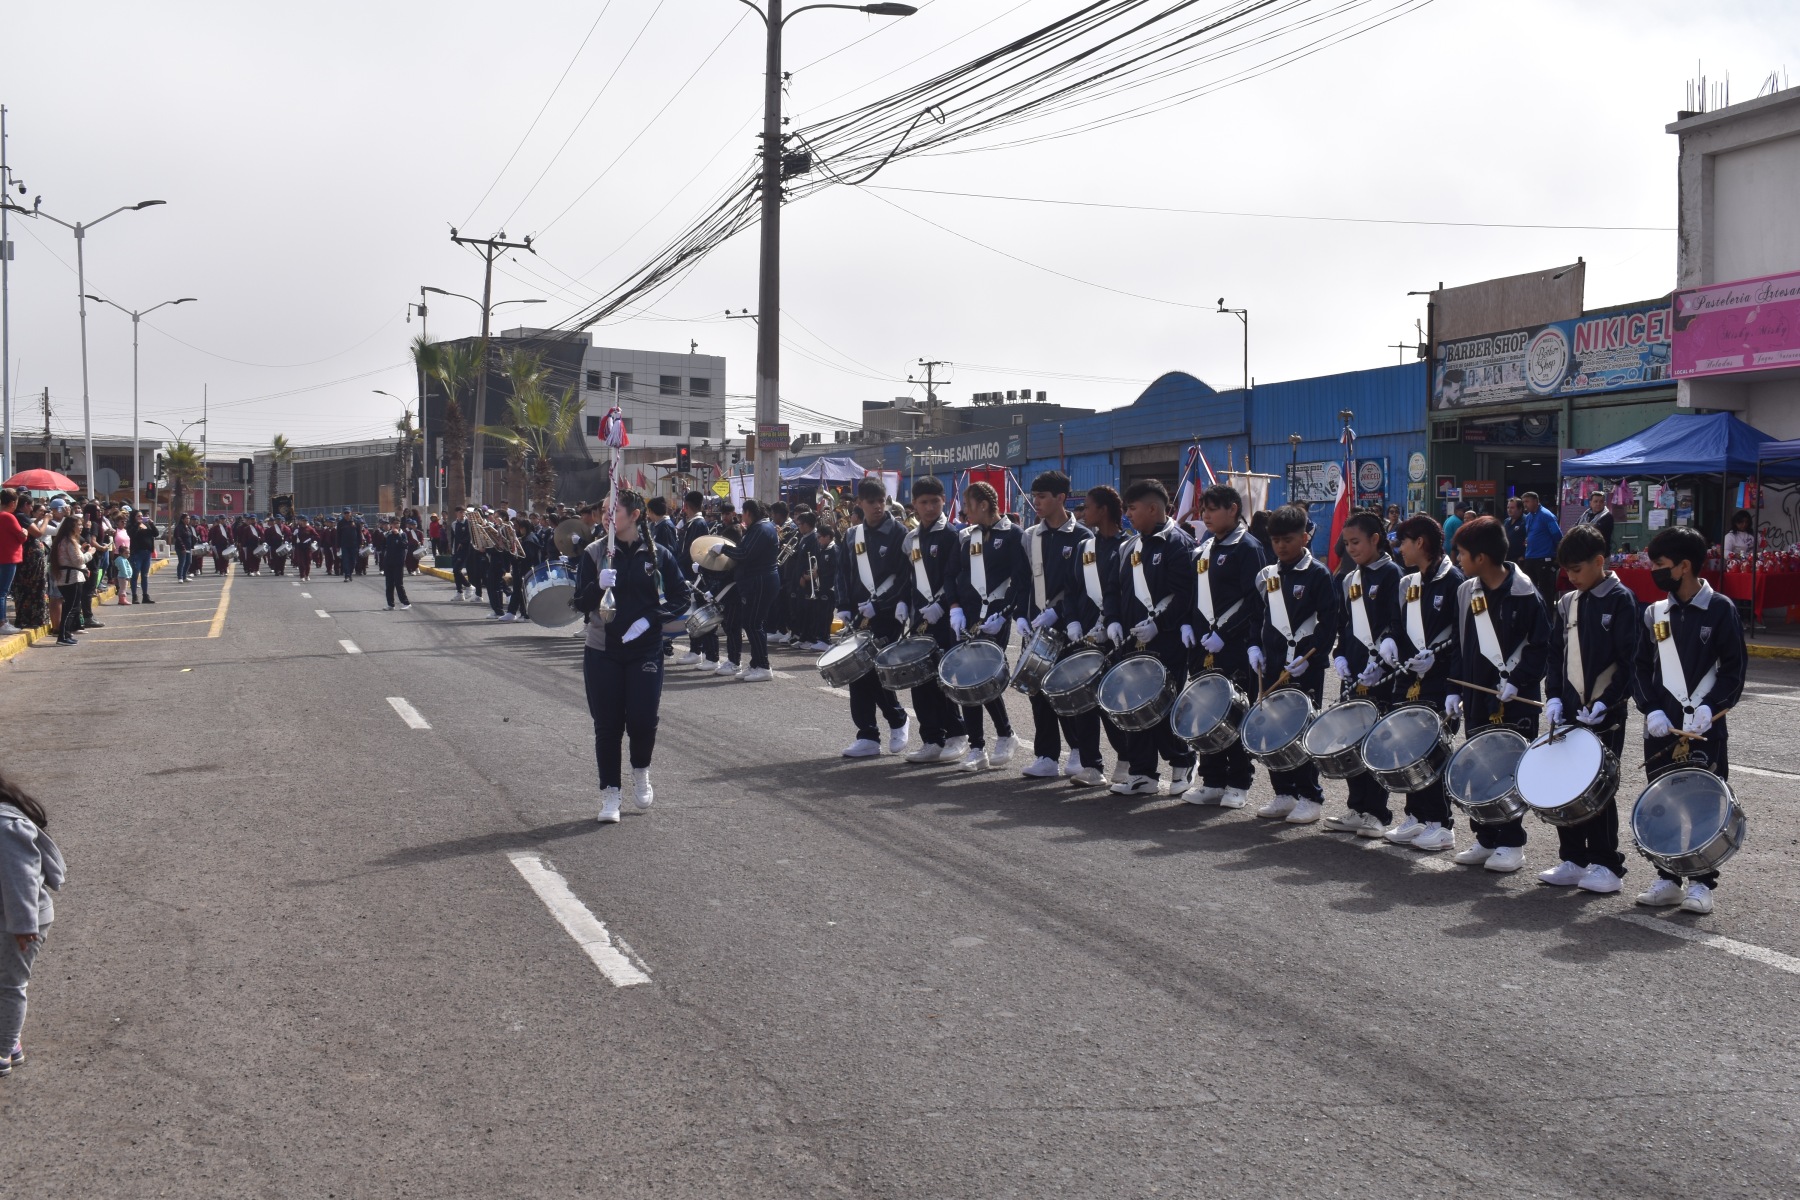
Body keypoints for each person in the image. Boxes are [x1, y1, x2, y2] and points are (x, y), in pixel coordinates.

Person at [1632, 525, 1746, 914]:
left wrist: (1711, 707)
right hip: (1662, 727)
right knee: (1661, 802)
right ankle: (1667, 877)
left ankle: (1701, 883)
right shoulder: (1654, 613)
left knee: (1703, 804)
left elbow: (1734, 670)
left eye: (1660, 564)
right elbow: (1639, 667)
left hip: (1704, 727)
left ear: (1684, 566)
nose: (1654, 571)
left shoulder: (1720, 609)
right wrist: (1650, 708)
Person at [569, 487, 689, 822]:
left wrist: (651, 619)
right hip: (603, 649)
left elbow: (680, 597)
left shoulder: (658, 554)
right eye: (604, 510)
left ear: (635, 515)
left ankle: (641, 771)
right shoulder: (594, 553)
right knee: (607, 725)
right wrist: (597, 586)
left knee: (642, 720)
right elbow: (578, 602)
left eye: (614, 510)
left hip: (645, 649)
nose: (606, 516)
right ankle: (610, 793)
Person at [1536, 524, 1640, 894]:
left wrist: (1607, 702)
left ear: (1599, 561)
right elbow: (1555, 655)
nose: (1572, 578)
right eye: (1567, 571)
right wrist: (1553, 696)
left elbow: (1629, 662)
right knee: (1565, 785)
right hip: (1568, 710)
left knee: (1598, 788)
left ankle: (1606, 863)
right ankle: (1572, 858)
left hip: (1604, 714)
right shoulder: (1568, 603)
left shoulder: (1622, 600)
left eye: (1577, 570)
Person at [1446, 515, 1549, 872]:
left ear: (1481, 557)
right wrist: (1453, 688)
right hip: (1478, 695)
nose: (1457, 559)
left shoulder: (1526, 593)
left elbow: (1541, 646)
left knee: (1508, 770)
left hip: (1513, 699)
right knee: (1479, 766)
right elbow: (1460, 644)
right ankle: (1485, 837)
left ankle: (1511, 842)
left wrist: (1518, 680)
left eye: (1462, 553)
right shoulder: (1466, 591)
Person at [1380, 514, 1465, 851]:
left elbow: (1462, 637)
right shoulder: (1409, 582)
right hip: (1410, 680)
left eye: (1403, 541)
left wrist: (1441, 666)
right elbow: (1397, 624)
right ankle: (1415, 815)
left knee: (1433, 751)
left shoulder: (1454, 581)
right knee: (1408, 749)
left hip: (1438, 682)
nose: (1399, 548)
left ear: (1420, 542)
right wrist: (1389, 639)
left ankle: (1441, 824)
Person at [1248, 505, 1337, 822]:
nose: (1281, 546)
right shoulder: (1267, 575)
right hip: (1272, 663)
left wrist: (1312, 654)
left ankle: (1310, 796)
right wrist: (1253, 647)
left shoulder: (1318, 574)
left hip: (1304, 665)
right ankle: (1283, 792)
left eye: (1288, 539)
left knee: (1302, 730)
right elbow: (1257, 617)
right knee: (1273, 730)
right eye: (1276, 541)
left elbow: (1329, 622)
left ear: (1304, 538)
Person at [1108, 479, 1197, 797]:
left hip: (1167, 641)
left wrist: (1160, 625)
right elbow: (1114, 590)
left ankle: (1183, 762)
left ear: (1153, 508)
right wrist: (1113, 620)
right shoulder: (1128, 547)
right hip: (1133, 641)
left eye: (1132, 508)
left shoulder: (1179, 543)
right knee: (1134, 706)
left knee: (1164, 705)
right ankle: (1142, 773)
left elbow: (1185, 594)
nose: (1128, 515)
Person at [1180, 483, 1266, 808]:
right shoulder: (1205, 548)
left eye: (1213, 509)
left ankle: (1239, 781)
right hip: (1203, 646)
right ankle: (1212, 779)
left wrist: (1227, 634)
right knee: (1205, 712)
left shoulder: (1248, 548)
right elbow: (1193, 594)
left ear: (1233, 509)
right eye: (1204, 509)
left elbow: (1255, 601)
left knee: (1235, 712)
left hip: (1233, 647)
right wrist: (1187, 623)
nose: (1206, 515)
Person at [1018, 470, 1103, 784]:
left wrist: (1058, 613)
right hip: (1037, 626)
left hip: (1070, 626)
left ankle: (1079, 749)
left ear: (1061, 498)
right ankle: (1046, 756)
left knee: (1070, 690)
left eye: (1042, 497)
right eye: (1035, 496)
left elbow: (1082, 585)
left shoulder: (1082, 536)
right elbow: (1023, 581)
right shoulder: (1030, 536)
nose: (1036, 502)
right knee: (1037, 691)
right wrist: (1020, 615)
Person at [1323, 511, 1404, 835]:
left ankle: (1377, 812)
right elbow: (1344, 625)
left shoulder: (1392, 574)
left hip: (1379, 672)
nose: (1351, 549)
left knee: (1376, 743)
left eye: (1356, 542)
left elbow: (1397, 622)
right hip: (1355, 670)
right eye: (1346, 544)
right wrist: (1340, 655)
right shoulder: (1349, 579)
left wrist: (1383, 659)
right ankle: (1356, 807)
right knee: (1351, 740)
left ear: (1375, 539)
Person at [948, 481, 1023, 771]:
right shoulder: (966, 537)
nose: (965, 512)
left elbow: (1020, 579)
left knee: (981, 676)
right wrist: (955, 608)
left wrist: (1005, 614)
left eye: (968, 505)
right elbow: (952, 575)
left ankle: (1003, 735)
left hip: (994, 617)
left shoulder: (1013, 535)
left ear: (983, 505)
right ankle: (979, 747)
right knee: (967, 679)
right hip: (967, 616)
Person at [834, 476, 911, 758]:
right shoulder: (852, 535)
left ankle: (897, 718)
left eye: (881, 501)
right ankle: (867, 734)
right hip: (859, 613)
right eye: (871, 502)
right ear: (860, 503)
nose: (878, 506)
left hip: (888, 614)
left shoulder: (899, 533)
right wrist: (843, 605)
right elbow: (843, 572)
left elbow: (905, 577)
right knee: (856, 672)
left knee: (876, 670)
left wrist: (883, 605)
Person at [895, 476, 967, 763]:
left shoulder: (952, 535)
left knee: (944, 677)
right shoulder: (910, 539)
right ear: (914, 504)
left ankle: (957, 734)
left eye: (935, 502)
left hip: (945, 618)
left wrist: (943, 605)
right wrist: (902, 601)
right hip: (920, 618)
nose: (929, 508)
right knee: (920, 678)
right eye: (923, 502)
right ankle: (931, 738)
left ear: (944, 501)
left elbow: (957, 577)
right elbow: (908, 577)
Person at [0, 769, 64, 1079]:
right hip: (8, 915)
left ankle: (3, 1049)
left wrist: (24, 925)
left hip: (21, 921)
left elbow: (22, 880)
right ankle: (10, 1041)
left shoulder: (5, 826)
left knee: (9, 985)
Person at [1076, 485, 1131, 783]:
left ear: (1104, 510)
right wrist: (1072, 621)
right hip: (1085, 636)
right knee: (1084, 701)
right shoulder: (1085, 547)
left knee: (1113, 702)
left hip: (1115, 638)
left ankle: (1126, 758)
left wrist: (1113, 624)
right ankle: (1091, 765)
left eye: (1088, 506)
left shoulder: (1128, 546)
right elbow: (1072, 589)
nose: (1084, 512)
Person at [717, 498, 779, 682]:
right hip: (757, 582)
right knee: (751, 623)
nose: (742, 516)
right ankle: (755, 663)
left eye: (743, 512)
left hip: (760, 582)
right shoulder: (759, 528)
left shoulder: (761, 529)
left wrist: (724, 549)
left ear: (749, 513)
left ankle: (763, 666)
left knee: (753, 623)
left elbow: (744, 553)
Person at [49, 513, 91, 647]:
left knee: (71, 606)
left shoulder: (65, 540)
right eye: (79, 524)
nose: (81, 527)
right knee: (71, 608)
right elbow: (78, 560)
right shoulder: (69, 541)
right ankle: (62, 636)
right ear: (71, 526)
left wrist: (81, 550)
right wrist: (90, 553)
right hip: (71, 578)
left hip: (68, 577)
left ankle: (66, 634)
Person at [1520, 491, 1563, 600]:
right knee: (1529, 590)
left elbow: (1558, 536)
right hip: (1530, 557)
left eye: (1527, 501)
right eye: (1523, 502)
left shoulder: (1546, 515)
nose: (1525, 504)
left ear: (1536, 501)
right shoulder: (1528, 517)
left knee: (1545, 591)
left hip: (1544, 558)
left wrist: (1558, 557)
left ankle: (1547, 610)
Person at [0, 489, 25, 635]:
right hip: (8, 558)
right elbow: (21, 536)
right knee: (3, 591)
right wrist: (25, 532)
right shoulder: (9, 517)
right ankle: (2, 622)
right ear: (12, 503)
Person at [378, 517, 413, 610]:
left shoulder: (403, 534)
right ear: (391, 525)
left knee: (398, 583)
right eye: (393, 523)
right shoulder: (387, 535)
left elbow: (405, 545)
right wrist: (384, 554)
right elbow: (383, 546)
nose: (395, 525)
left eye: (397, 523)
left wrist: (397, 535)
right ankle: (390, 604)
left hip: (398, 562)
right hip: (389, 562)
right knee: (389, 584)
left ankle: (406, 602)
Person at [126, 510, 157, 603]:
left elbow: (156, 534)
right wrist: (137, 525)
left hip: (147, 553)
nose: (140, 518)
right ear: (134, 517)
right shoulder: (131, 526)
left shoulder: (146, 525)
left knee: (145, 575)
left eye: (141, 516)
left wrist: (151, 524)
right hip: (137, 553)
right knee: (135, 575)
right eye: (138, 516)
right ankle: (134, 596)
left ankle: (145, 596)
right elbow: (132, 534)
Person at [1581, 490, 1615, 554]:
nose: (1598, 504)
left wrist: (1582, 528)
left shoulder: (1607, 516)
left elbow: (1595, 531)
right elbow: (1576, 526)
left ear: (1604, 503)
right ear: (1590, 503)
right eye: (1595, 501)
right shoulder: (1586, 514)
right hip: (1585, 553)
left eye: (1601, 502)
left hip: (1601, 554)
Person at [336, 510, 361, 583]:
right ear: (343, 514)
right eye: (345, 513)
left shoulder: (356, 522)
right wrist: (338, 546)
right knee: (345, 560)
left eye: (348, 513)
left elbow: (359, 533)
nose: (347, 515)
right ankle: (346, 575)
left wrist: (360, 543)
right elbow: (338, 535)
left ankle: (350, 573)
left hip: (354, 545)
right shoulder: (341, 523)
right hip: (344, 545)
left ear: (351, 513)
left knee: (353, 561)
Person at [1504, 497, 1528, 563]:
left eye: (1512, 508)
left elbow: (1530, 540)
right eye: (1508, 507)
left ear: (1520, 509)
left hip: (1519, 560)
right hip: (1506, 558)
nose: (1509, 510)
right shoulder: (1506, 521)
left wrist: (1523, 556)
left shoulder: (1526, 521)